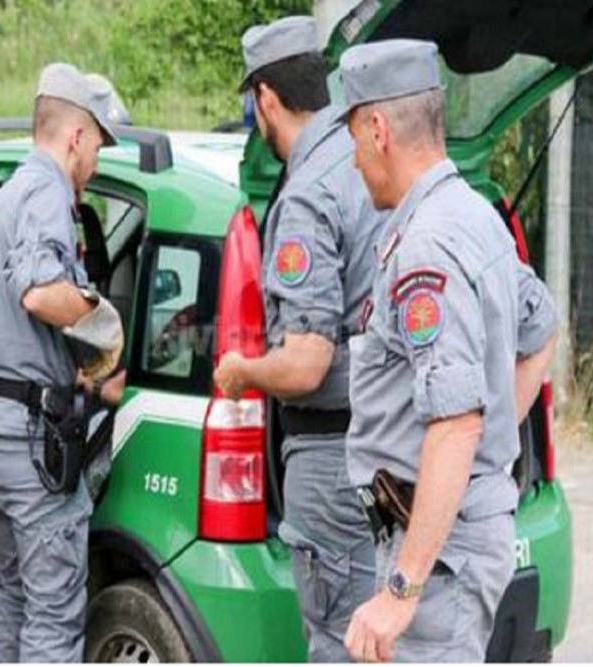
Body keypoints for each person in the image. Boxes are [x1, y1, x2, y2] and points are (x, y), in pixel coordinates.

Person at [337, 40, 559, 663]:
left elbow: (457, 423)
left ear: (377, 128)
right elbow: (541, 333)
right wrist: (487, 445)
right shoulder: (473, 214)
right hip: (451, 536)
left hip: (439, 557)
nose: (354, 162)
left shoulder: (426, 245)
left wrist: (403, 588)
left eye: (354, 138)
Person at [212, 15, 383, 662]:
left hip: (333, 460)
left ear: (265, 101)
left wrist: (241, 369)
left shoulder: (307, 197)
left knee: (340, 641)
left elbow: (308, 362)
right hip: (396, 449)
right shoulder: (372, 162)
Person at [0, 62, 122, 663]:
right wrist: (107, 325)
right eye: (98, 146)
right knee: (54, 614)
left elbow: (12, 316)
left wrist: (79, 364)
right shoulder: (48, 190)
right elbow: (40, 291)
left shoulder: (5, 192)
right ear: (76, 136)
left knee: (18, 595)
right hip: (30, 441)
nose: (97, 163)